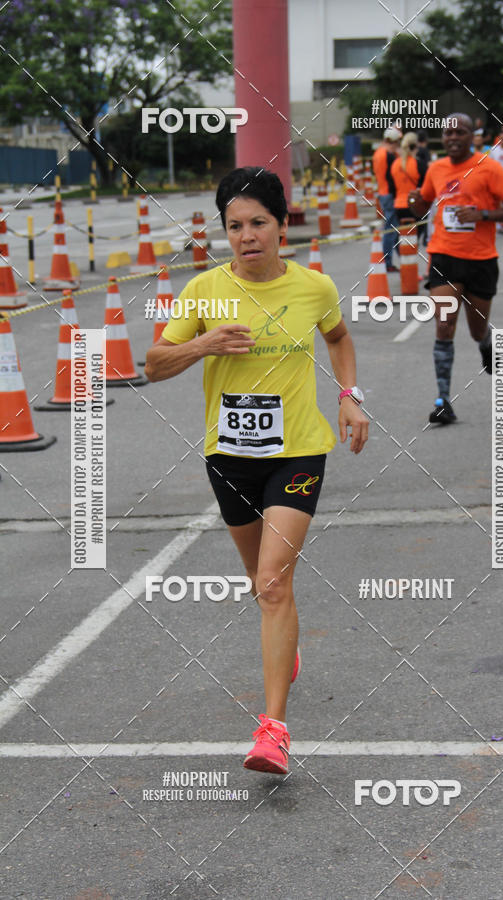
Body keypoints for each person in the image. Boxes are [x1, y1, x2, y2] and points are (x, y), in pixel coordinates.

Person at [145, 167, 369, 774]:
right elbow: (153, 365)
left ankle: (273, 730)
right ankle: (285, 645)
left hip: (296, 451)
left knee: (273, 582)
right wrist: (202, 345)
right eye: (234, 226)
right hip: (230, 458)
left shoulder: (315, 288)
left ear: (282, 225)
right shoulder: (203, 293)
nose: (246, 236)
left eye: (258, 224)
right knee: (260, 582)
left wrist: (350, 394)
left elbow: (340, 338)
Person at [407, 114, 503, 425]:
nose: (452, 137)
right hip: (444, 256)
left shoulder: (489, 167)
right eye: (447, 133)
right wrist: (414, 200)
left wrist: (481, 214)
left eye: (460, 132)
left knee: (476, 330)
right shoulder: (436, 168)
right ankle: (443, 400)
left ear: (473, 136)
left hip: (482, 260)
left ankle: (487, 344)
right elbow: (422, 207)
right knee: (444, 326)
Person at [373, 126, 402, 271]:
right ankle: (388, 262)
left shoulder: (378, 153)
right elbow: (392, 177)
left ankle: (397, 257)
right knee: (391, 230)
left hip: (383, 193)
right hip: (390, 194)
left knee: (392, 228)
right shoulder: (388, 155)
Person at [390, 132, 420, 255]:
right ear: (414, 147)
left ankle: (402, 254)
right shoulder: (417, 163)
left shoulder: (395, 164)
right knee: (414, 234)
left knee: (402, 234)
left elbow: (392, 186)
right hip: (414, 204)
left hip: (399, 204)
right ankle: (409, 260)